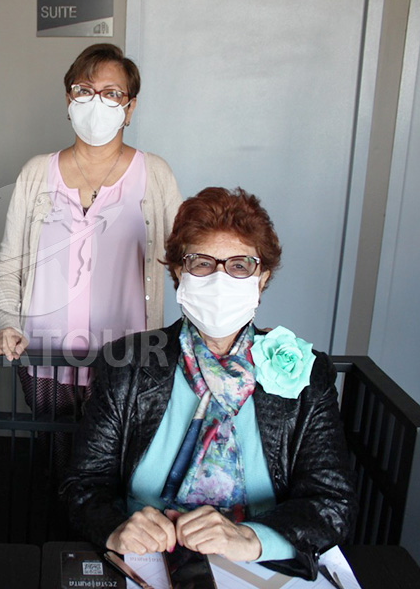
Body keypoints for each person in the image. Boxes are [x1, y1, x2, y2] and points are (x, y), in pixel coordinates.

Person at [59, 188, 356, 580]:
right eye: (201, 263)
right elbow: (83, 485)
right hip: (148, 558)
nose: (219, 279)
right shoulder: (127, 364)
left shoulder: (306, 371)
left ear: (262, 278)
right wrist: (115, 527)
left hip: (261, 564)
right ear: (179, 273)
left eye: (239, 266)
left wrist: (251, 538)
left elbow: (331, 501)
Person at [0, 44, 182, 466]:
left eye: (112, 94)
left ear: (129, 109)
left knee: (117, 468)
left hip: (125, 361)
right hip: (44, 356)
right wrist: (7, 325)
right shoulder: (37, 172)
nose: (97, 103)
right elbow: (8, 266)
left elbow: (188, 263)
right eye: (84, 90)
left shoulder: (155, 175)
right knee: (56, 464)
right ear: (68, 100)